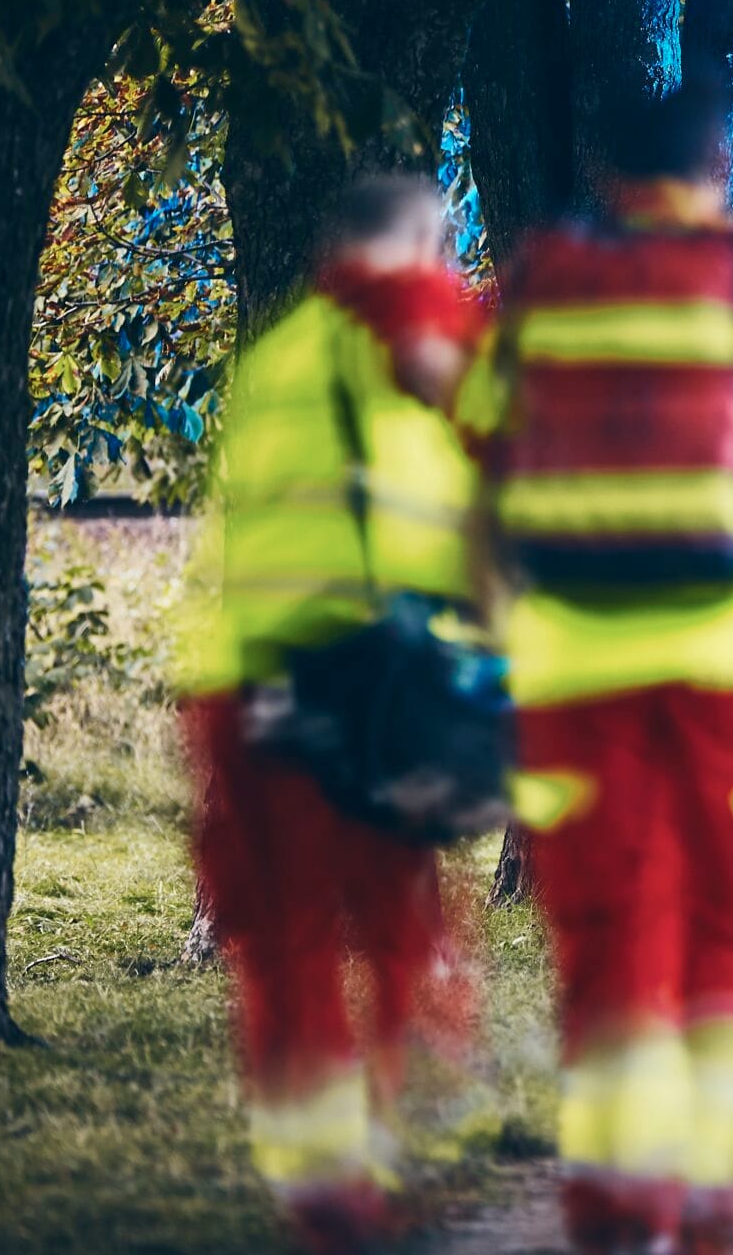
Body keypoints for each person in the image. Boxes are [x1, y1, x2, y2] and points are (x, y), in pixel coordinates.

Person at [463, 82, 733, 1255]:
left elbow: (482, 505)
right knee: (726, 934)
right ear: (718, 171)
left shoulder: (537, 299)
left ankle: (614, 1197)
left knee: (607, 940)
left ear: (607, 176)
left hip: (574, 684)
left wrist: (502, 644)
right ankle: (710, 1198)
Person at [179, 173, 486, 1252]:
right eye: (441, 245)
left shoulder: (278, 357)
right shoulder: (395, 321)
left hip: (244, 682)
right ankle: (381, 1141)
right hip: (357, 678)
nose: (448, 269)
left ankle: (322, 1171)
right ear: (404, 246)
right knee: (395, 913)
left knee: (290, 934)